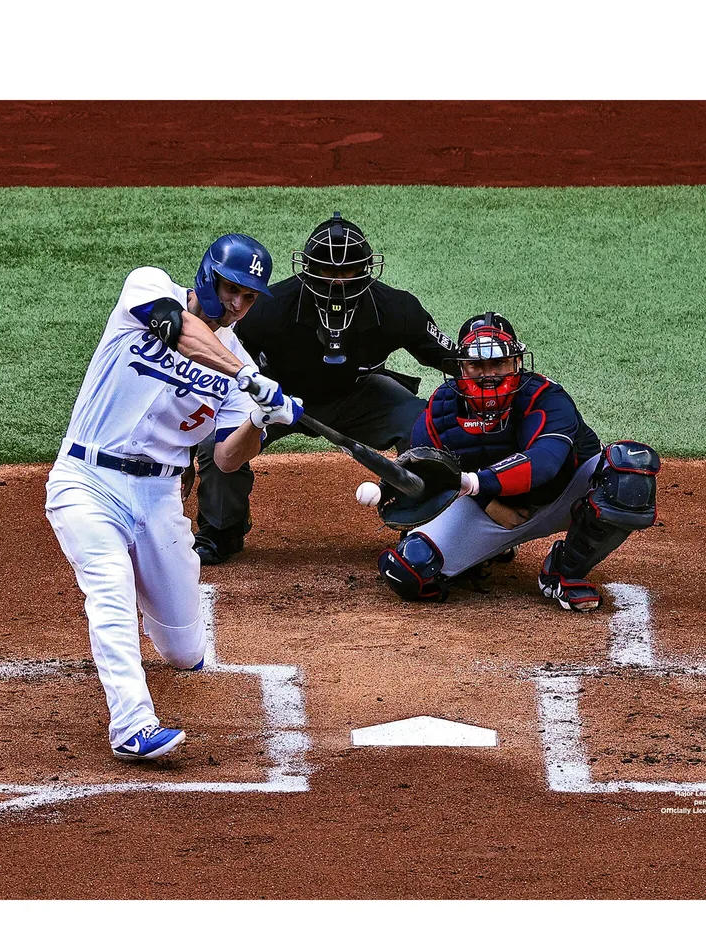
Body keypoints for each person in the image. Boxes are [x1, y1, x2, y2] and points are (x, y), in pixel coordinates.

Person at [45, 234, 302, 761]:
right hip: (87, 482)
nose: (238, 304)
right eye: (232, 288)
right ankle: (132, 724)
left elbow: (228, 460)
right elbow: (180, 330)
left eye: (250, 297)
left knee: (185, 652)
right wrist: (252, 380)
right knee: (110, 589)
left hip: (160, 498)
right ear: (208, 276)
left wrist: (261, 420)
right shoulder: (148, 286)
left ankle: (157, 604)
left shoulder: (237, 364)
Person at [192, 212, 457, 564]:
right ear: (308, 270)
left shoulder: (396, 308)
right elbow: (225, 371)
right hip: (280, 397)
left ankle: (427, 527)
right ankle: (222, 528)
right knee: (216, 442)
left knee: (426, 425)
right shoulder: (268, 309)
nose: (337, 282)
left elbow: (453, 361)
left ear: (366, 271)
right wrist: (255, 407)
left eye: (347, 272)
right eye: (327, 272)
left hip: (360, 395)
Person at [376, 312, 660, 611]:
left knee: (629, 474)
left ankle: (563, 573)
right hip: (490, 510)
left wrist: (475, 483)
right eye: (476, 365)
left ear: (516, 363)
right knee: (409, 572)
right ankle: (489, 550)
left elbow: (544, 463)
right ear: (461, 368)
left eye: (498, 363)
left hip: (567, 497)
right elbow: (426, 472)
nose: (488, 374)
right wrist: (485, 501)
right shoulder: (441, 409)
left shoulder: (547, 397)